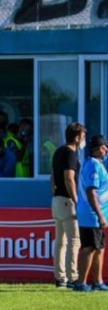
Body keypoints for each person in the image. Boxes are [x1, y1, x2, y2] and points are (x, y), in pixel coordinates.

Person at [51, 122, 85, 289]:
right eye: (83, 137)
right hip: (67, 200)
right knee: (73, 240)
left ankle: (60, 277)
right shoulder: (71, 154)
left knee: (61, 240)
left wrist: (55, 193)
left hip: (57, 199)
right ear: (77, 138)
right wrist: (76, 200)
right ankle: (72, 277)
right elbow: (69, 178)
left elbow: (52, 177)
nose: (83, 141)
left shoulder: (58, 152)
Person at [73, 135, 108, 291]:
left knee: (99, 248)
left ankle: (98, 281)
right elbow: (91, 192)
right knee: (89, 248)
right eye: (106, 147)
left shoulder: (93, 163)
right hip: (92, 215)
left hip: (94, 214)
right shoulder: (93, 165)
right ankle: (81, 282)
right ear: (100, 148)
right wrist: (100, 215)